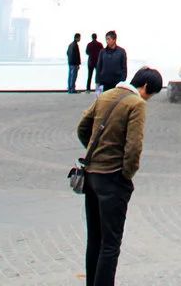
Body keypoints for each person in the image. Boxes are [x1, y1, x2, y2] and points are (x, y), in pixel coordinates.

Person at [77, 66, 163, 286]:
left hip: (91, 176)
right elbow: (134, 146)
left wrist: (95, 153)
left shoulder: (106, 95)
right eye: (150, 94)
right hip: (112, 178)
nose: (148, 98)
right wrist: (127, 174)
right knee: (110, 244)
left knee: (95, 239)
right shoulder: (136, 104)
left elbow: (82, 128)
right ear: (145, 86)